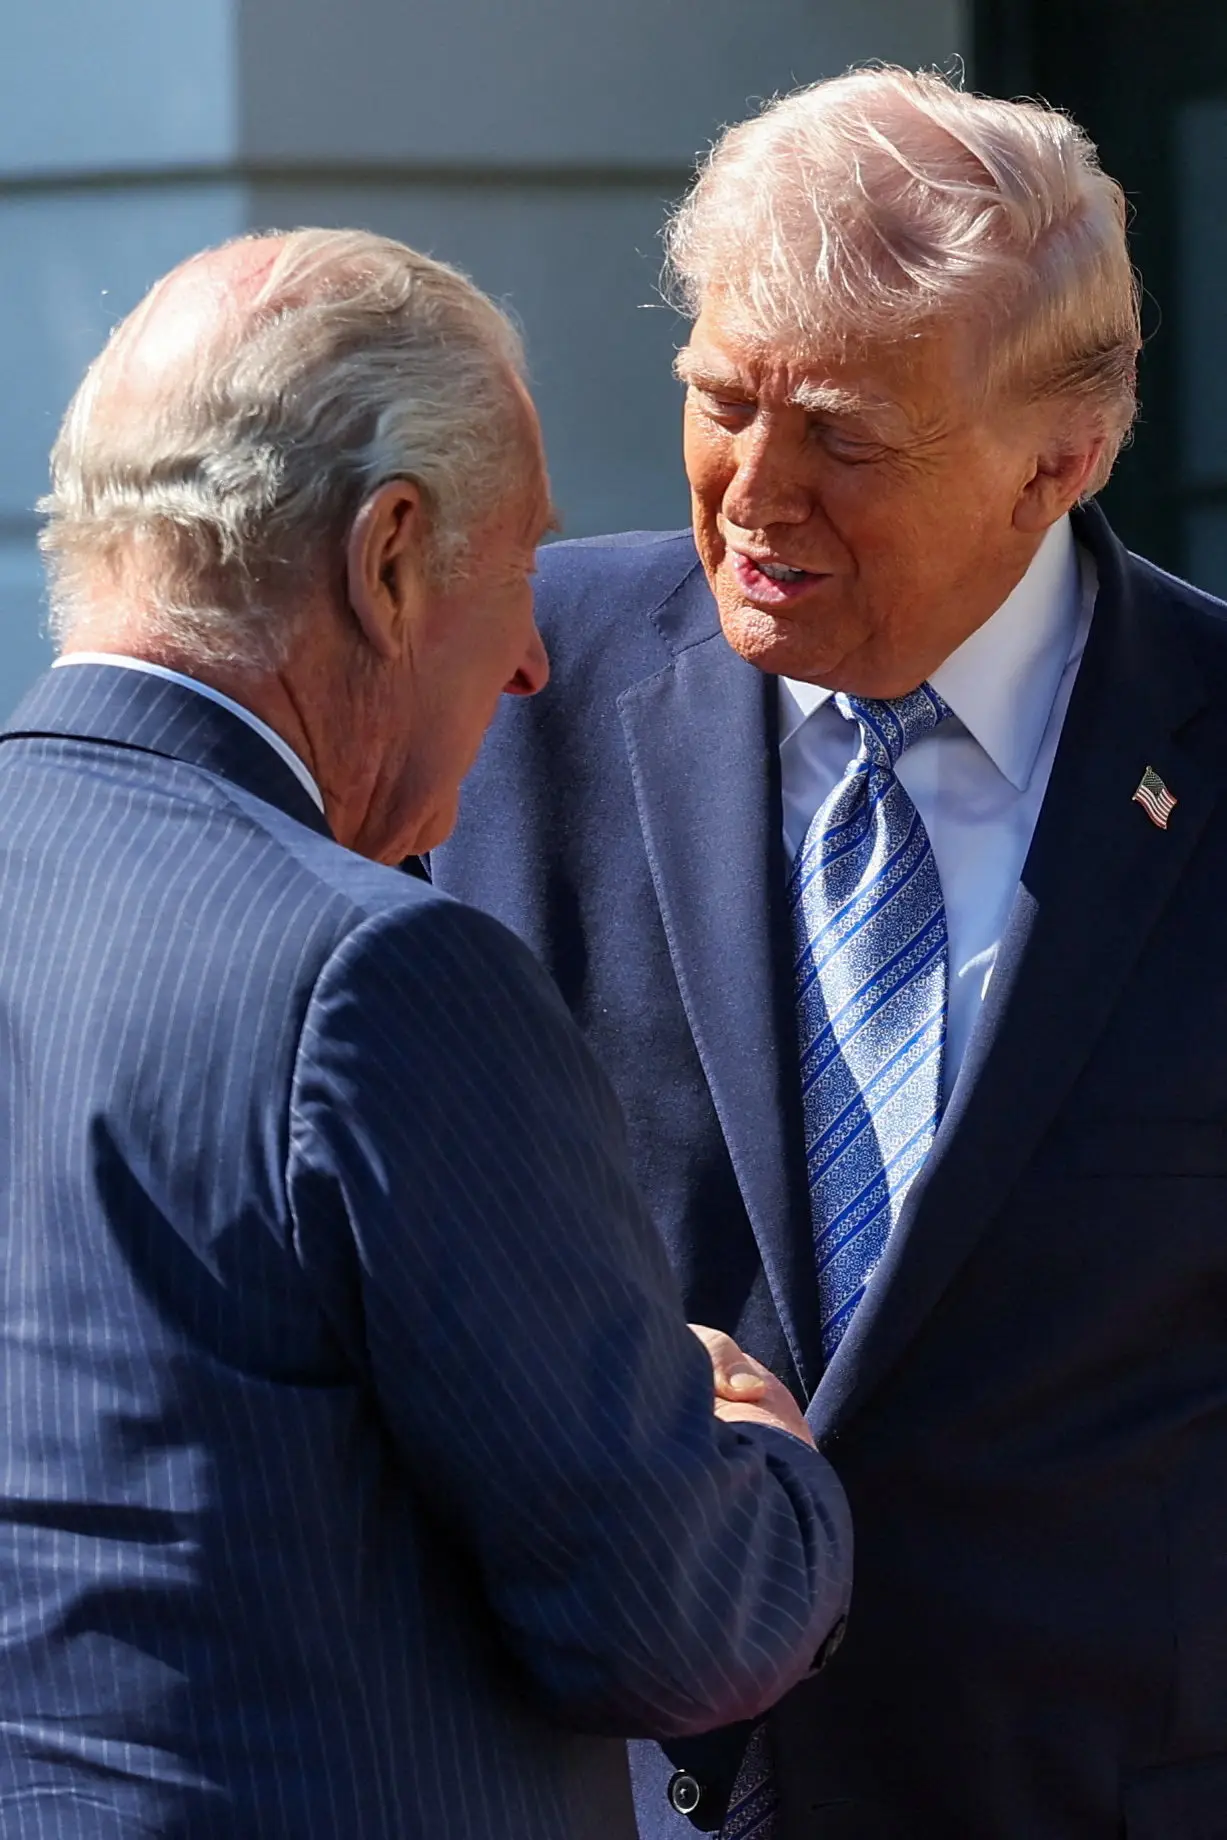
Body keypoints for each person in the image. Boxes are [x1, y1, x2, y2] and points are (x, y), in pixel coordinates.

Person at [431, 65, 1227, 1839]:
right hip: (604, 1786)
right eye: (720, 402)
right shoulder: (505, 680)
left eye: (845, 441)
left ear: (1060, 462)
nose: (754, 492)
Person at [0, 229, 853, 1840]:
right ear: (389, 558)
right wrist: (752, 1454)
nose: (532, 661)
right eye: (520, 567)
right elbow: (678, 1619)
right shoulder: (375, 979)